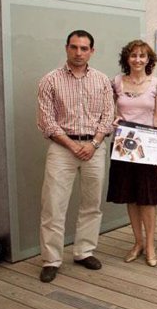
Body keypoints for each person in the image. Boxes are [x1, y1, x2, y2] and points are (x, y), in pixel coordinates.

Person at [36, 30, 114, 283]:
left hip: (94, 148)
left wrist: (93, 144)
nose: (79, 52)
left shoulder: (102, 80)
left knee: (91, 204)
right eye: (74, 47)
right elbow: (46, 121)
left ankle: (84, 251)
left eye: (84, 48)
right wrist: (71, 145)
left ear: (92, 51)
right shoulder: (50, 80)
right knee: (53, 206)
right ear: (66, 48)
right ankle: (51, 260)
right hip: (62, 149)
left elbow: (107, 117)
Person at [107, 40, 157, 267]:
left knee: (147, 199)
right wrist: (112, 118)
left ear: (149, 59)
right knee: (130, 197)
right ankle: (137, 242)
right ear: (127, 58)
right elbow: (111, 110)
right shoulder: (116, 82)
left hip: (147, 148)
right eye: (133, 55)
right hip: (122, 145)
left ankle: (150, 245)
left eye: (142, 56)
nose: (138, 60)